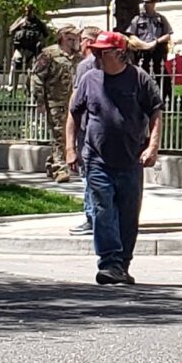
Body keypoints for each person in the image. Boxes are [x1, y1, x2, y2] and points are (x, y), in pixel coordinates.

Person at [68, 32, 163, 285]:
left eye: (103, 51)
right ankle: (109, 262)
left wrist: (152, 147)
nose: (96, 55)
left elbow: (155, 113)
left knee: (128, 215)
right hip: (97, 159)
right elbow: (73, 114)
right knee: (102, 210)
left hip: (131, 160)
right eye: (96, 51)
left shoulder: (139, 79)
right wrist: (70, 149)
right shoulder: (89, 79)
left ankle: (122, 264)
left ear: (119, 53)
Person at [65, 26, 104, 233]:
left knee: (89, 172)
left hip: (87, 126)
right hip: (100, 126)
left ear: (88, 42)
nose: (79, 44)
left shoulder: (85, 66)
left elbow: (76, 99)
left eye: (81, 40)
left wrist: (70, 141)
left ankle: (91, 216)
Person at [32, 26, 81, 182]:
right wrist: (39, 101)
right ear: (63, 37)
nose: (74, 42)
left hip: (73, 102)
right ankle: (60, 168)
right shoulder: (49, 54)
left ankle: (53, 161)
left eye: (76, 38)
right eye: (71, 38)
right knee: (60, 134)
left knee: (69, 135)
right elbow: (37, 77)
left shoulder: (78, 57)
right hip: (55, 101)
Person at [123, 0, 173, 77]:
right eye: (143, 2)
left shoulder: (161, 18)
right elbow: (131, 36)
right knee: (143, 75)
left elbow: (168, 35)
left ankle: (162, 90)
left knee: (162, 77)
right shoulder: (137, 19)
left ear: (154, 4)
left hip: (157, 51)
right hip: (143, 52)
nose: (144, 5)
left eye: (147, 2)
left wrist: (155, 42)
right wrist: (144, 45)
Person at [9, 4, 49, 76]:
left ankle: (29, 86)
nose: (28, 13)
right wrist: (20, 24)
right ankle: (12, 87)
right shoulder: (20, 20)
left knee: (32, 70)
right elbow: (11, 30)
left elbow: (46, 35)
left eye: (30, 11)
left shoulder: (39, 22)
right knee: (14, 67)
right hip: (20, 49)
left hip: (33, 50)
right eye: (26, 11)